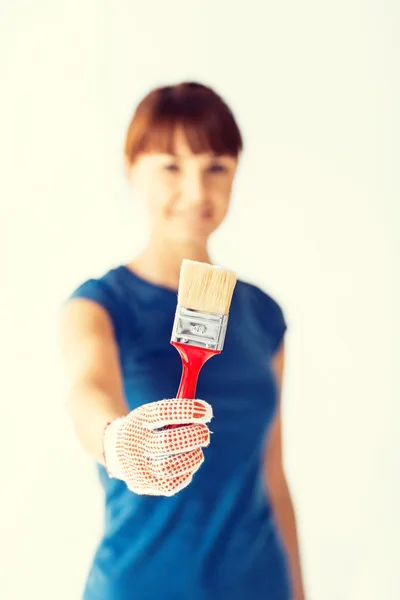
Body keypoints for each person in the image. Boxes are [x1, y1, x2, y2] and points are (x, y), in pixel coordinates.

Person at [60, 81, 305, 600]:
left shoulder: (262, 312)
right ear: (131, 170)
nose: (197, 191)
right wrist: (117, 443)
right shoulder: (100, 303)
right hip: (140, 584)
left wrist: (300, 591)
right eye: (171, 166)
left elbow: (272, 473)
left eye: (216, 166)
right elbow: (87, 392)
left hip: (259, 582)